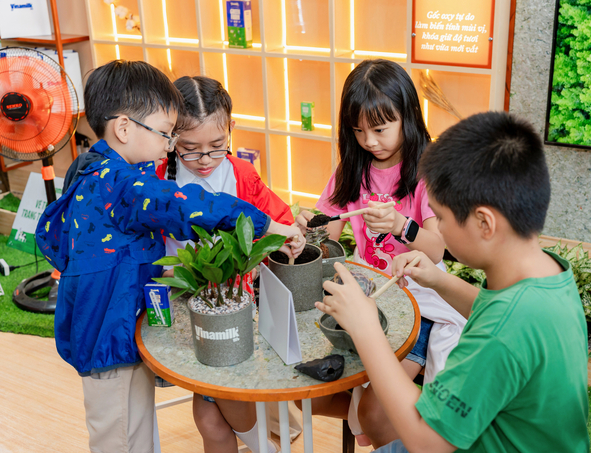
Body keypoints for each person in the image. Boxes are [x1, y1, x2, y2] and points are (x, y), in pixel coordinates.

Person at [35, 60, 304, 453]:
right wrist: (261, 225)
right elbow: (182, 205)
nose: (168, 144)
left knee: (134, 429)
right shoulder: (122, 183)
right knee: (123, 436)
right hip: (109, 332)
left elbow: (51, 235)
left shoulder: (90, 169)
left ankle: (277, 432)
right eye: (164, 133)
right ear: (124, 128)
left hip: (111, 324)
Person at [318, 111, 590, 452]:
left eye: (442, 217)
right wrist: (437, 281)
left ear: (484, 223)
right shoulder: (546, 274)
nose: (439, 230)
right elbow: (490, 309)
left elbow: (427, 443)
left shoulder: (501, 333)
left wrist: (364, 326)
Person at [295, 59, 467, 448]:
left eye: (379, 129)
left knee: (373, 411)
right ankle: (375, 424)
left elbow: (438, 249)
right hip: (370, 294)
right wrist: (309, 231)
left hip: (419, 304)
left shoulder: (429, 171)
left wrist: (398, 226)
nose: (370, 141)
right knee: (316, 392)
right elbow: (329, 237)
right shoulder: (350, 171)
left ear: (407, 116)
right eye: (358, 131)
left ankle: (386, 427)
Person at [156, 75, 296, 453]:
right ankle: (270, 445)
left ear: (231, 130)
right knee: (212, 413)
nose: (204, 160)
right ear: (170, 138)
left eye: (217, 146)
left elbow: (278, 218)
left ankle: (269, 442)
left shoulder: (241, 175)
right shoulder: (156, 182)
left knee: (208, 417)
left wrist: (289, 235)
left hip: (238, 310)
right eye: (189, 149)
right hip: (185, 316)